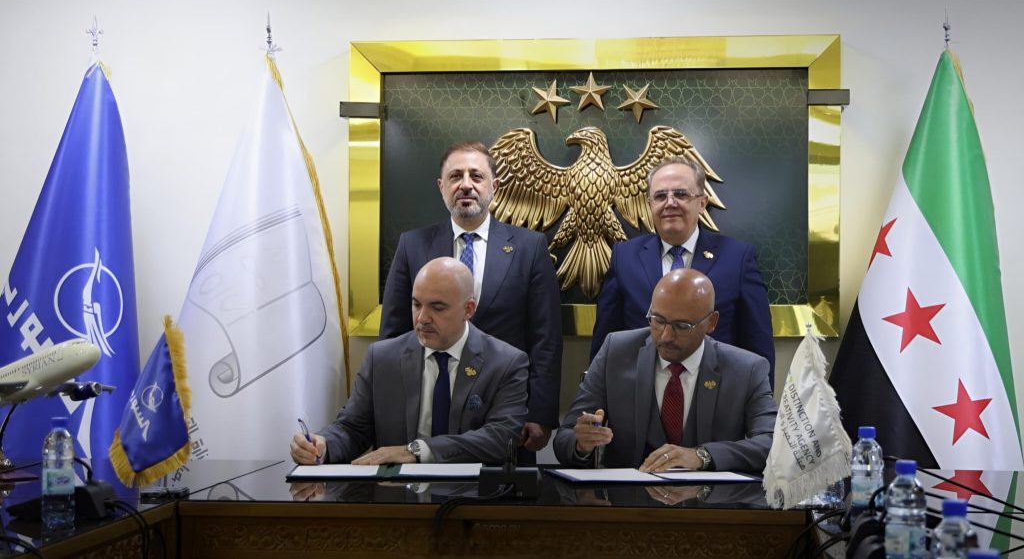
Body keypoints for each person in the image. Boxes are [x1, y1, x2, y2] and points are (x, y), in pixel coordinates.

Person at [379, 141, 562, 455]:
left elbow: (546, 337)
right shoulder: (412, 245)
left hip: (503, 408)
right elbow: (393, 334)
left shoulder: (530, 247)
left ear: (495, 186)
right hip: (428, 402)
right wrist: (392, 408)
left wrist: (540, 413)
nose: (466, 185)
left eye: (476, 176)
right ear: (441, 187)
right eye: (455, 176)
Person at [291, 257, 528, 465]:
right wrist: (323, 445)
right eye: (416, 304)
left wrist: (416, 451)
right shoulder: (382, 358)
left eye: (437, 308)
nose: (422, 318)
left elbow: (501, 438)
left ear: (468, 309)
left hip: (473, 494)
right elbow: (353, 428)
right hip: (395, 494)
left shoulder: (506, 363)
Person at [554, 268, 777, 473]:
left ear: (711, 322)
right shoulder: (616, 352)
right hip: (627, 498)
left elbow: (772, 442)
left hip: (712, 501)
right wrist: (582, 444)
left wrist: (703, 456)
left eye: (682, 326)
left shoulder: (746, 369)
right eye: (658, 320)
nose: (666, 336)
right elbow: (565, 437)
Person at [590, 157, 775, 381]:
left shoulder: (738, 259)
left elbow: (758, 345)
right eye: (660, 196)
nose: (670, 203)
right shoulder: (624, 257)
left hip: (716, 393)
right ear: (650, 205)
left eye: (680, 194)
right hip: (639, 392)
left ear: (702, 203)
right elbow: (604, 344)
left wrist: (759, 399)